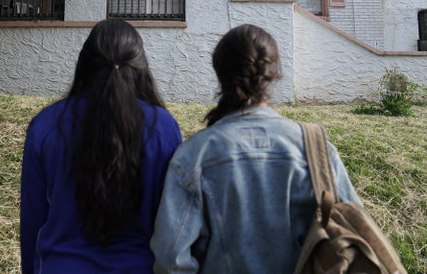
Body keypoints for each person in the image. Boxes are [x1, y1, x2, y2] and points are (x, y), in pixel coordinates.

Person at [150, 24, 361, 273]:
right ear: (274, 73)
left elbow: (171, 259)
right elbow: (354, 234)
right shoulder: (317, 150)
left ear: (219, 74)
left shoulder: (192, 156)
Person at [20, 19, 182, 273]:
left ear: (85, 64)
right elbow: (171, 223)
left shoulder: (45, 125)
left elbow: (33, 220)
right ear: (141, 67)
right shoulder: (163, 127)